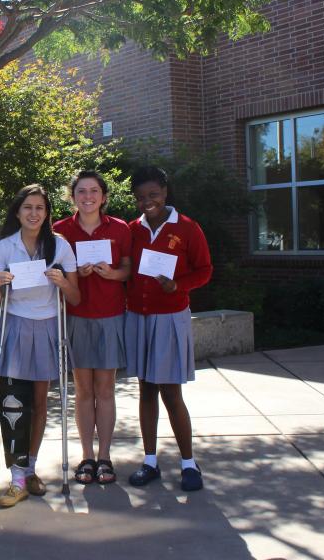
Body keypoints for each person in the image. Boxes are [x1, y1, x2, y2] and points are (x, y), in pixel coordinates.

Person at [0, 184, 80, 508]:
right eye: (28, 207)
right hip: (15, 323)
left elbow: (75, 297)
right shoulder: (4, 248)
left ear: (47, 213)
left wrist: (63, 282)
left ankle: (31, 468)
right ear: (18, 211)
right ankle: (16, 478)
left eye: (39, 208)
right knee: (13, 403)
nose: (33, 213)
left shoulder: (60, 246)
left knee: (40, 401)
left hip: (47, 325)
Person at [125, 166, 212, 492]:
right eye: (142, 197)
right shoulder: (133, 230)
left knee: (171, 392)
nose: (148, 201)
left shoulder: (188, 228)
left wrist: (179, 285)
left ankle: (189, 463)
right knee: (146, 388)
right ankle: (150, 461)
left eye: (154, 195)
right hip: (138, 317)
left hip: (170, 317)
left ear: (165, 191)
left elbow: (205, 270)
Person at [53, 171, 131, 485]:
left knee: (106, 390)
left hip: (111, 316)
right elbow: (54, 271)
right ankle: (86, 457)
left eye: (94, 191)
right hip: (76, 316)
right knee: (83, 392)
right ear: (73, 196)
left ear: (104, 196)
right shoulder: (60, 231)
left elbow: (127, 269)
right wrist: (76, 274)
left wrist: (112, 274)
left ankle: (105, 457)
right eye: (82, 191)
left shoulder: (120, 228)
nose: (88, 197)